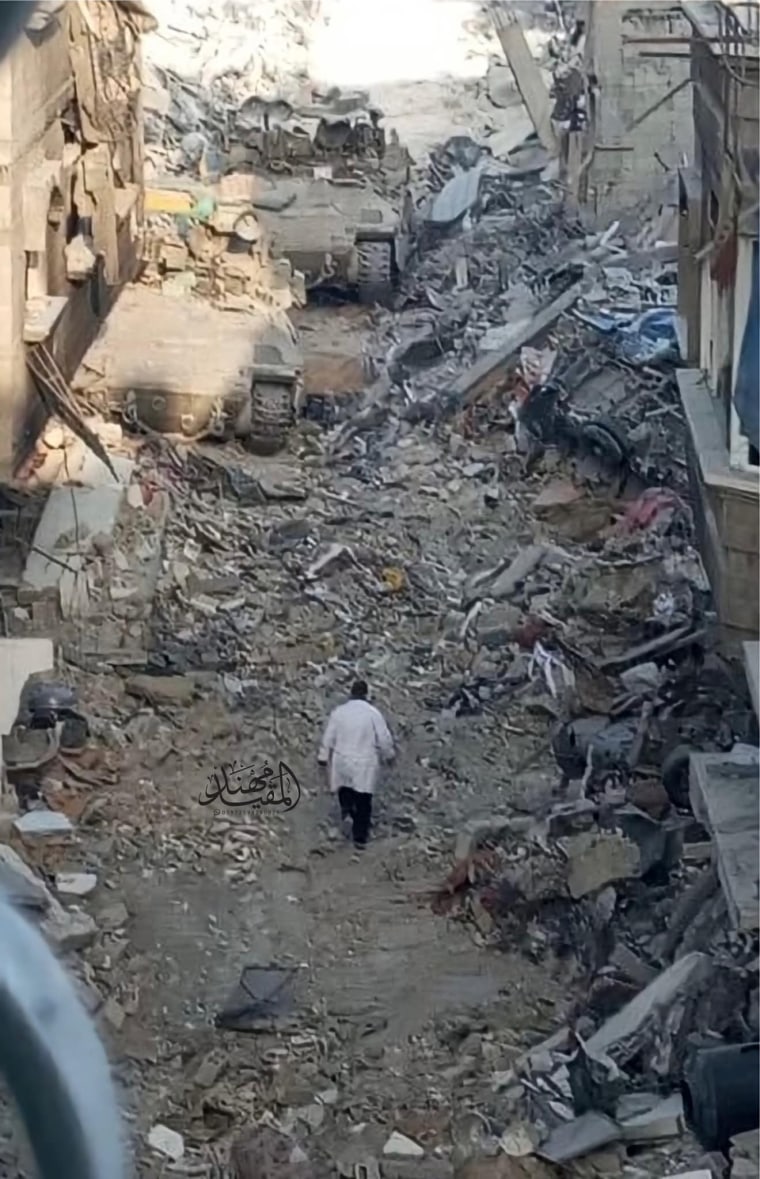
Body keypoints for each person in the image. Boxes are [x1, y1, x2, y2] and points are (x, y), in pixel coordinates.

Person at [318, 680, 394, 851]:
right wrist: (389, 755)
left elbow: (328, 737)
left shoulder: (340, 712)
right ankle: (360, 837)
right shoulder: (373, 714)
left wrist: (322, 757)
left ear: (351, 693)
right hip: (365, 762)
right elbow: (384, 738)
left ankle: (347, 811)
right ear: (366, 694)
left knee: (345, 789)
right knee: (364, 800)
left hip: (342, 759)